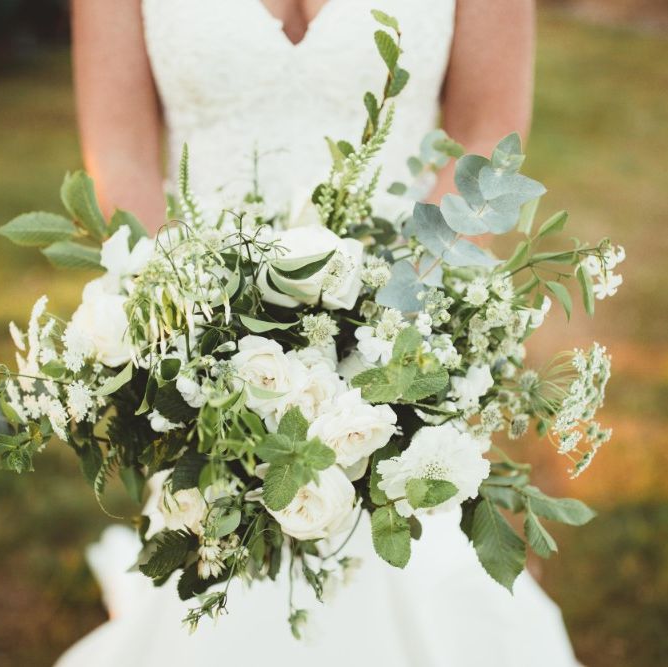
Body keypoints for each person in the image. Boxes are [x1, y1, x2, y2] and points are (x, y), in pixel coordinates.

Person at [58, 2, 580, 665]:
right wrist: (203, 332)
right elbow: (119, 152)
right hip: (214, 347)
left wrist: (391, 318)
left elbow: (489, 131)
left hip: (400, 325)